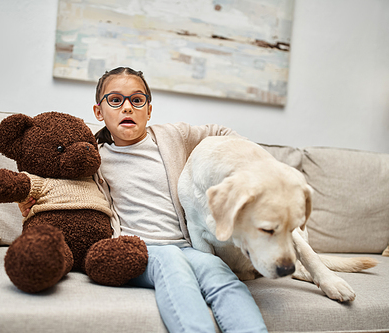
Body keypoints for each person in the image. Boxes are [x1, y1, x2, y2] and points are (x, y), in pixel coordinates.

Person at [19, 67, 267, 333]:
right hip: (137, 249)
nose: (127, 107)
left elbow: (219, 133)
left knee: (221, 275)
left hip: (186, 246)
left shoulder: (173, 137)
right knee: (170, 262)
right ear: (99, 112)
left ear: (149, 110)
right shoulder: (92, 156)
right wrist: (27, 197)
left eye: (137, 100)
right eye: (115, 100)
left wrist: (256, 163)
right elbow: (56, 180)